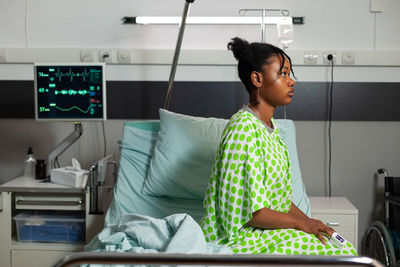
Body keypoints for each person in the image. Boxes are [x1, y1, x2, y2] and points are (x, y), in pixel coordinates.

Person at [200, 37, 357, 255]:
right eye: (283, 74)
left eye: (289, 74)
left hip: (267, 229)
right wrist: (299, 224)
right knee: (333, 255)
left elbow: (280, 202)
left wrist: (311, 222)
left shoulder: (272, 132)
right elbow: (255, 214)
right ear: (257, 79)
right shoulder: (243, 130)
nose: (291, 81)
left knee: (339, 246)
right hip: (243, 236)